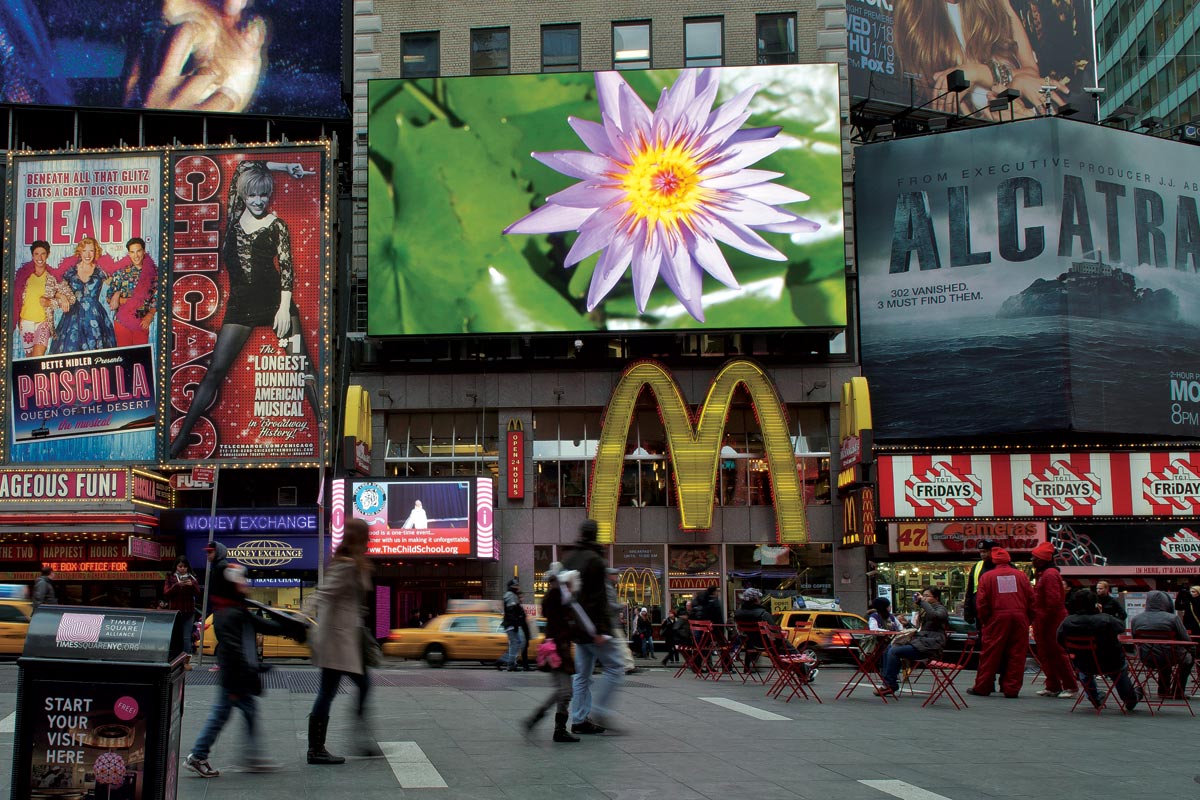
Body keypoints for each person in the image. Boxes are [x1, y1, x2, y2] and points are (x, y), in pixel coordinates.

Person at [169, 159, 319, 459]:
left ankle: (325, 427)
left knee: (305, 369)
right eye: (253, 195)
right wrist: (284, 166)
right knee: (215, 371)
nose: (258, 201)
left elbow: (288, 269)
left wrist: (283, 308)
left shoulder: (277, 225)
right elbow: (243, 166)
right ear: (244, 195)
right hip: (241, 305)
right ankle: (182, 438)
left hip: (277, 302)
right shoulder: (235, 214)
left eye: (263, 195)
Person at [185, 559, 286, 777]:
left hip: (235, 675)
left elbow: (263, 625)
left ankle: (252, 758)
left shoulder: (233, 608)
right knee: (220, 715)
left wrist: (289, 626)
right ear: (233, 585)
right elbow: (234, 649)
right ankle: (197, 755)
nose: (246, 584)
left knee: (246, 712)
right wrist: (254, 670)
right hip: (234, 677)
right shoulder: (231, 611)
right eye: (242, 580)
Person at [893, 0, 1067, 118]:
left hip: (1020, 123)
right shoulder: (913, 18)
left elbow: (1029, 73)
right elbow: (936, 98)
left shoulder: (995, 4)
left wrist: (977, 72)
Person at [305, 518, 375, 765]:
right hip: (337, 639)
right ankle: (317, 749)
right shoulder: (345, 566)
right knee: (332, 691)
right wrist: (304, 614)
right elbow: (323, 593)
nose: (371, 539)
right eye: (368, 535)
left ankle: (323, 746)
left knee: (340, 689)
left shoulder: (354, 564)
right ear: (360, 538)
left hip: (346, 639)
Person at [562, 519, 624, 735]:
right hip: (593, 627)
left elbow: (565, 596)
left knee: (582, 675)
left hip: (576, 628)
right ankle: (599, 710)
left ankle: (579, 719)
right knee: (616, 667)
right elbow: (598, 601)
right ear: (596, 535)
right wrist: (599, 631)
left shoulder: (569, 558)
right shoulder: (596, 561)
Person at [524, 563, 597, 743]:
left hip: (558, 649)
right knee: (565, 691)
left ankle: (551, 725)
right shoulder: (556, 596)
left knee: (564, 691)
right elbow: (563, 622)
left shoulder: (559, 597)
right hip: (558, 650)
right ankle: (552, 726)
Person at [1057, 589, 1140, 711]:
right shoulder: (1105, 619)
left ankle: (1094, 697)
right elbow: (1120, 627)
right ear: (1095, 604)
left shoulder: (1067, 622)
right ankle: (1129, 698)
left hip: (1082, 663)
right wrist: (1100, 613)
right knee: (1120, 669)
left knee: (1084, 670)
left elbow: (1060, 639)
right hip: (1111, 661)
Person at [968, 547, 1034, 698]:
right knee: (1017, 655)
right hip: (1019, 618)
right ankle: (1011, 689)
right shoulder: (1021, 576)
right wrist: (1028, 618)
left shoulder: (987, 576)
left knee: (990, 654)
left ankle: (983, 687)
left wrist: (986, 621)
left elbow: (982, 603)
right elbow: (1032, 599)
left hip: (997, 618)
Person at [49, 237, 117, 354]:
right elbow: (54, 289)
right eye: (84, 250)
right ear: (79, 252)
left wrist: (116, 294)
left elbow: (117, 283)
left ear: (96, 252)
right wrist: (63, 297)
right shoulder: (70, 271)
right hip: (73, 316)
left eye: (91, 250)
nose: (88, 254)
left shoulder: (101, 271)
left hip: (95, 317)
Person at [877, 587, 949, 696]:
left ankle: (890, 684)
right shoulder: (925, 610)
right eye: (923, 595)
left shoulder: (941, 609)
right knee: (890, 647)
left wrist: (923, 603)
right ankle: (888, 682)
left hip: (930, 646)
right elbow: (920, 629)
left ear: (936, 598)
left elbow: (935, 616)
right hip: (921, 642)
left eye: (927, 596)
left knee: (894, 651)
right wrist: (907, 624)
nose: (924, 598)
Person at [1029, 542, 1078, 699]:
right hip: (1047, 620)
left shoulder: (1049, 575)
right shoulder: (1046, 573)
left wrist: (1042, 619)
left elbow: (1053, 602)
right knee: (1048, 654)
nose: (1032, 560)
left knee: (1057, 653)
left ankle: (1069, 686)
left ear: (1042, 559)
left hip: (1050, 622)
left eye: (1035, 557)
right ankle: (1054, 685)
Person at [1130, 590, 1194, 699]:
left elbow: (1135, 638)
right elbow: (1185, 639)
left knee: (1162, 655)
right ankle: (1178, 691)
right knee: (1188, 658)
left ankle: (1163, 690)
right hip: (1170, 655)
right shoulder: (1172, 618)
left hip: (1146, 656)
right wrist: (1192, 650)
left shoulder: (1136, 619)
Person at [12, 240, 71, 358]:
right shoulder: (23, 276)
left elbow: (71, 298)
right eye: (36, 254)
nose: (40, 257)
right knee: (29, 358)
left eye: (43, 253)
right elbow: (15, 301)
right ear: (32, 255)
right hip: (26, 323)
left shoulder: (54, 276)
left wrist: (52, 301)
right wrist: (57, 294)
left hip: (43, 323)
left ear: (48, 255)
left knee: (37, 356)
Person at [105, 237, 159, 347]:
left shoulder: (154, 273)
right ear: (129, 253)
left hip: (141, 321)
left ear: (144, 251)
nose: (136, 255)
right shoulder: (121, 273)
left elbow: (157, 297)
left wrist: (150, 315)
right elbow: (108, 297)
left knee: (140, 357)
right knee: (124, 356)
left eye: (138, 251)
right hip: (122, 322)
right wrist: (122, 299)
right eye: (132, 252)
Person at [164, 557, 202, 665]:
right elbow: (166, 593)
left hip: (188, 612)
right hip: (175, 613)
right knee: (175, 637)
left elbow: (198, 593)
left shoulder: (192, 578)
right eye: (180, 566)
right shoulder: (170, 577)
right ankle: (174, 661)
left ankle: (186, 662)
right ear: (176, 567)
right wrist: (177, 585)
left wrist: (191, 586)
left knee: (186, 637)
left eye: (185, 567)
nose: (182, 569)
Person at [962, 539, 997, 628]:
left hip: (996, 610)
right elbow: (969, 591)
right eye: (981, 552)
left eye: (985, 551)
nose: (982, 554)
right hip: (980, 612)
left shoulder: (1002, 565)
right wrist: (967, 612)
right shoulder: (977, 566)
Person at [498, 578, 530, 672]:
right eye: (516, 586)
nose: (518, 587)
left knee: (517, 642)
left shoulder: (512, 595)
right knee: (515, 643)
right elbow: (511, 611)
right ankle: (510, 663)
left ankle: (508, 662)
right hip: (511, 624)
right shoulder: (510, 595)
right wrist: (515, 623)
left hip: (511, 623)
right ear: (512, 587)